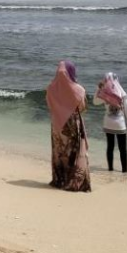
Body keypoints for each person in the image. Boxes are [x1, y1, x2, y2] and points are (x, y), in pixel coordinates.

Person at [46, 60, 91, 192]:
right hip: (72, 124)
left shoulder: (50, 88)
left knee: (59, 151)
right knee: (74, 152)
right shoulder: (79, 89)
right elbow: (82, 107)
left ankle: (60, 180)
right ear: (72, 72)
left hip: (56, 124)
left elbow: (50, 105)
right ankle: (75, 181)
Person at [95, 72, 127, 173]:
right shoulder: (122, 92)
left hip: (108, 123)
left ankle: (110, 169)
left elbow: (95, 102)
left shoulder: (105, 92)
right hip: (120, 124)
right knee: (122, 148)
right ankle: (124, 171)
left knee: (110, 146)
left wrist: (98, 89)